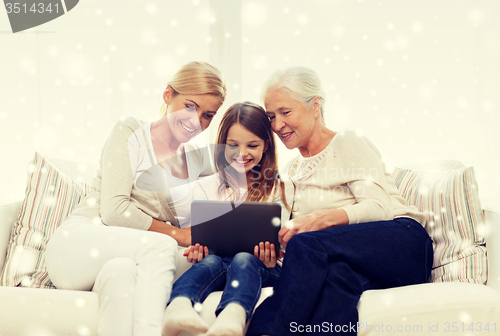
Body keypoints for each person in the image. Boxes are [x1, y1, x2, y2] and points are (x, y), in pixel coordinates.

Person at [246, 67, 433, 335]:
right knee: (335, 279)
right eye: (271, 116)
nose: (277, 125)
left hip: (404, 244)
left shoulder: (346, 142)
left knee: (308, 243)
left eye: (286, 112)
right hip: (357, 262)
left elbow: (379, 207)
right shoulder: (294, 170)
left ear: (315, 105)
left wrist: (316, 220)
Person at [44, 61, 227, 336]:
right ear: (168, 95)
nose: (196, 121)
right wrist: (179, 234)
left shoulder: (195, 164)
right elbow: (115, 211)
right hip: (78, 244)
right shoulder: (130, 131)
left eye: (207, 115)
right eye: (190, 106)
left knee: (122, 275)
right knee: (162, 246)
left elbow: (242, 176)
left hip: (116, 259)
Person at [162, 102, 292, 336]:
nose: (242, 154)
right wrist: (197, 250)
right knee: (210, 261)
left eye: (252, 145)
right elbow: (199, 236)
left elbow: (283, 239)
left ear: (266, 146)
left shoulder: (282, 187)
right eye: (233, 146)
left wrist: (273, 256)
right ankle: (178, 308)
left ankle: (232, 319)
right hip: (218, 263)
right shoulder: (206, 186)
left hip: (264, 267)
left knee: (244, 258)